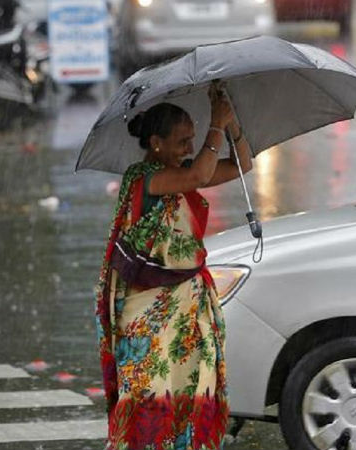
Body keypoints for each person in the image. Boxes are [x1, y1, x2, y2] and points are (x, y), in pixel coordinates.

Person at [95, 82, 252, 450]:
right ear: (156, 144)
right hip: (148, 313)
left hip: (187, 309)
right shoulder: (146, 177)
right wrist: (216, 123)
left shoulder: (182, 170)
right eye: (183, 141)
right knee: (150, 396)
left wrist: (230, 126)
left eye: (193, 140)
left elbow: (243, 165)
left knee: (191, 390)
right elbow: (198, 176)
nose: (190, 148)